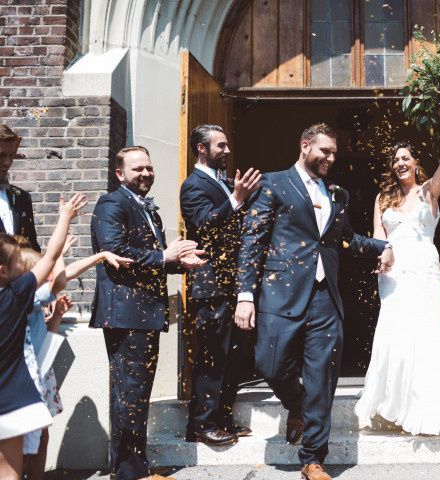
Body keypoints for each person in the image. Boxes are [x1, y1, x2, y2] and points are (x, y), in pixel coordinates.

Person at [235, 123, 393, 480]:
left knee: (322, 377)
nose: (331, 158)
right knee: (269, 364)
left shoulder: (338, 194)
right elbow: (252, 241)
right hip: (280, 292)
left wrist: (385, 246)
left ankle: (312, 459)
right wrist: (246, 295)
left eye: (334, 153)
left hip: (325, 298)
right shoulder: (273, 183)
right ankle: (298, 406)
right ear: (305, 145)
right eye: (325, 151)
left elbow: (347, 239)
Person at [90, 146, 205, 480]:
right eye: (137, 169)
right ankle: (130, 472)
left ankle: (135, 466)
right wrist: (166, 256)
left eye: (149, 168)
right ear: (120, 173)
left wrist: (180, 264)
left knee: (138, 393)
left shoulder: (147, 209)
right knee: (129, 394)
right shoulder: (112, 203)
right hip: (125, 314)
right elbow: (114, 251)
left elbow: (153, 259)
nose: (145, 174)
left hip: (144, 314)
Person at [354, 111, 440, 436]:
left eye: (405, 158)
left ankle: (423, 410)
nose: (400, 163)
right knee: (394, 332)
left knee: (423, 332)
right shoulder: (382, 198)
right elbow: (378, 235)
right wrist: (380, 254)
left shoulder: (428, 191)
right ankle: (393, 408)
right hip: (391, 274)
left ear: (416, 163)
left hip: (422, 272)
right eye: (395, 159)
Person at [19, 237, 132, 480]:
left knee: (41, 436)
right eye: (43, 272)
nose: (49, 276)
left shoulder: (32, 302)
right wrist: (58, 252)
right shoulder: (24, 299)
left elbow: (45, 333)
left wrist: (58, 316)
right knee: (24, 440)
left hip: (41, 374)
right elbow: (63, 278)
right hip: (25, 379)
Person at [180, 125, 261, 446]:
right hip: (210, 285)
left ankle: (222, 418)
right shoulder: (193, 185)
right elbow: (204, 225)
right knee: (213, 355)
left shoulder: (224, 182)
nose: (227, 151)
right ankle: (200, 424)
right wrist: (237, 198)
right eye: (221, 146)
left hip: (235, 285)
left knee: (236, 356)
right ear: (201, 149)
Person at [0, 193, 86, 480]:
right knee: (10, 473)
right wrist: (65, 216)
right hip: (11, 400)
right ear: (3, 272)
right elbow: (49, 256)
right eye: (16, 262)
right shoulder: (15, 296)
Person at [0, 124, 40, 251]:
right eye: (1, 155)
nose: (7, 162)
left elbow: (32, 247)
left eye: (11, 155)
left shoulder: (22, 197)